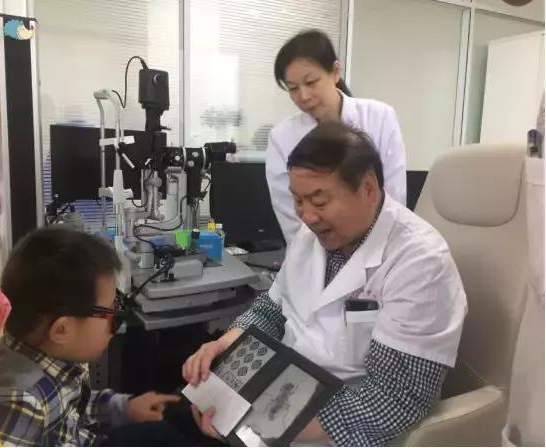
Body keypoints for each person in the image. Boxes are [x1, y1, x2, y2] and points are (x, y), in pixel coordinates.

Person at [184, 121, 467, 446]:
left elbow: (391, 401)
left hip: (342, 429)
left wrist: (256, 423)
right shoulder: (311, 236)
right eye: (298, 200)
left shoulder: (419, 263)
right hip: (284, 395)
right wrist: (225, 345)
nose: (306, 216)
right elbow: (271, 311)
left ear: (368, 189)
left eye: (319, 202)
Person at [0, 227, 203, 446]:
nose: (116, 321)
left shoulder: (49, 354)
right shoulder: (19, 403)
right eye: (111, 313)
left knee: (172, 429)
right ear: (62, 330)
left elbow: (74, 407)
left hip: (87, 437)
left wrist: (125, 408)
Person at [267, 29, 406, 245]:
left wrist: (372, 250)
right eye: (293, 89)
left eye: (311, 82)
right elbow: (291, 216)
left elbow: (394, 197)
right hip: (316, 249)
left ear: (335, 72)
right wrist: (318, 255)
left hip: (380, 245)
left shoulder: (379, 117)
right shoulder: (282, 137)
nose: (303, 96)